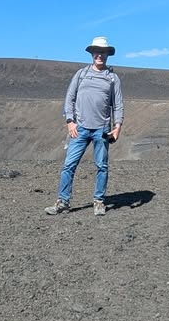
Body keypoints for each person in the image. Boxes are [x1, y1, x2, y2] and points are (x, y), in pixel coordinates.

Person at [45, 36, 124, 217]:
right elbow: (69, 98)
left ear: (107, 55)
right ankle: (62, 202)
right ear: (92, 53)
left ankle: (99, 201)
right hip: (79, 128)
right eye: (97, 51)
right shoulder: (81, 74)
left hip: (102, 129)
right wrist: (70, 121)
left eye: (103, 52)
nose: (100, 55)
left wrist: (118, 126)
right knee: (69, 165)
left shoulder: (113, 78)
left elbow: (118, 104)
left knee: (102, 166)